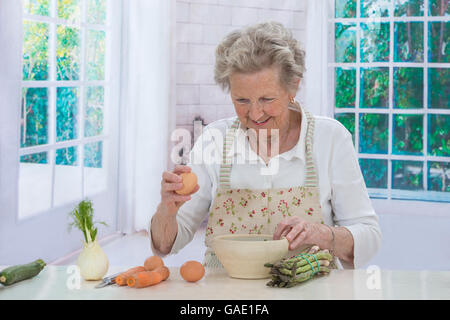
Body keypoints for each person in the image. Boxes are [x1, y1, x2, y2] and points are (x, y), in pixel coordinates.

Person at [150, 21, 381, 269]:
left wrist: (320, 233)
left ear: (293, 86)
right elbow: (165, 245)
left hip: (310, 291)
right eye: (242, 100)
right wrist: (167, 209)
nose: (255, 113)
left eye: (266, 99)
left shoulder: (330, 138)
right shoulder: (214, 139)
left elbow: (369, 236)